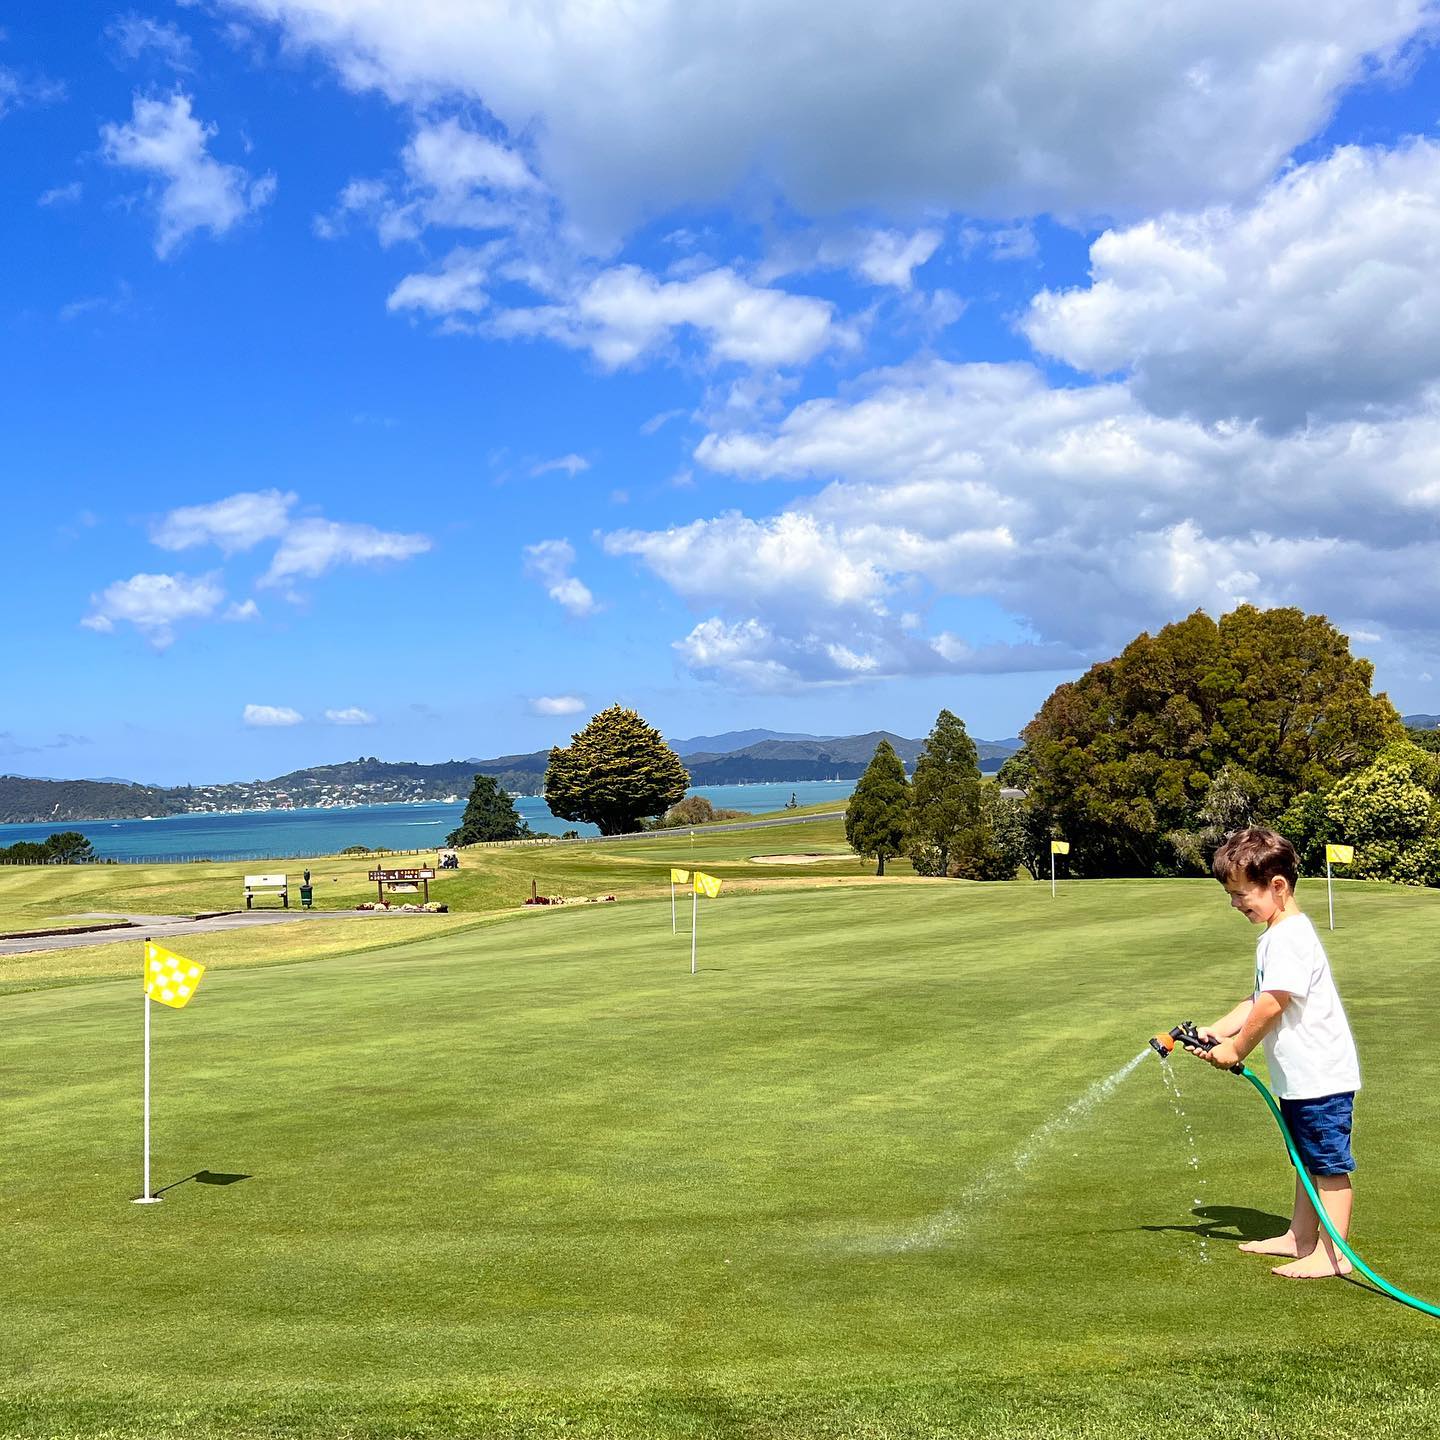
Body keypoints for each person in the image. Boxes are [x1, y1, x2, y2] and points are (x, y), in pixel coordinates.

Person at [1188, 826, 1362, 1280]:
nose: (1235, 904)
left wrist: (1237, 1047)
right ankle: (1300, 1238)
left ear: (1277, 886)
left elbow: (1271, 1004)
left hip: (1321, 1076)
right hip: (1302, 1077)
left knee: (1327, 1165)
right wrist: (1216, 1030)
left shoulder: (1288, 938)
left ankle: (1334, 1253)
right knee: (1306, 1160)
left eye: (1241, 894)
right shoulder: (1278, 935)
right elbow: (1257, 997)